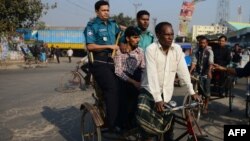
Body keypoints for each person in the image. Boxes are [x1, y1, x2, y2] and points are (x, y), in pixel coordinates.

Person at [140, 22, 200, 141]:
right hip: (150, 91)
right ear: (158, 35)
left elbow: (183, 71)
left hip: (167, 92)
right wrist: (157, 98)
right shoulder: (151, 49)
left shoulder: (177, 49)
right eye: (166, 34)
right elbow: (152, 75)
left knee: (168, 126)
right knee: (148, 129)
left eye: (172, 34)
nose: (170, 37)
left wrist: (192, 92)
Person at [83, 0, 121, 132]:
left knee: (125, 86)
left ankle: (124, 120)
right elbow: (90, 46)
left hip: (112, 61)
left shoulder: (112, 24)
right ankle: (112, 123)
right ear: (97, 11)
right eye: (103, 10)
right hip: (98, 62)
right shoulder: (92, 26)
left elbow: (120, 30)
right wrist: (109, 46)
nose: (106, 13)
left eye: (108, 10)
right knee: (112, 89)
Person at [114, 26, 145, 131]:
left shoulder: (140, 51)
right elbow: (118, 71)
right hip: (124, 81)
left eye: (138, 37)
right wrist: (134, 82)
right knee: (125, 101)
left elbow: (143, 67)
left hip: (137, 79)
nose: (138, 40)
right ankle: (121, 124)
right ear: (127, 38)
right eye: (135, 37)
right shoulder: (119, 51)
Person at [190, 36, 214, 113]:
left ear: (206, 43)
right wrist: (190, 71)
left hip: (206, 73)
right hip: (198, 72)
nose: (202, 44)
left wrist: (209, 71)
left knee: (207, 91)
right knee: (196, 90)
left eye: (203, 43)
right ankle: (197, 103)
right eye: (200, 43)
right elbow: (194, 62)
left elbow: (211, 63)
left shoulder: (209, 51)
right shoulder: (196, 51)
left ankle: (206, 106)